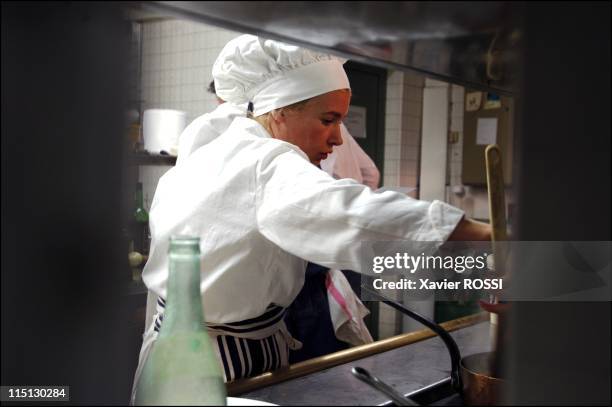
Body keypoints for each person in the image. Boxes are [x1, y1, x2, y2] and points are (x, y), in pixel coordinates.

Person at [132, 34, 490, 398]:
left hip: (231, 345)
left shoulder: (222, 144)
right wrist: (486, 236)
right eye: (328, 120)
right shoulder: (264, 162)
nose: (337, 139)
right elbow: (352, 213)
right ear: (279, 112)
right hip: (212, 366)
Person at [284, 124, 380, 362]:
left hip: (319, 259)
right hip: (345, 246)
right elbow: (371, 173)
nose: (336, 139)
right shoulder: (335, 127)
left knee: (319, 341)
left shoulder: (296, 141)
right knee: (345, 334)